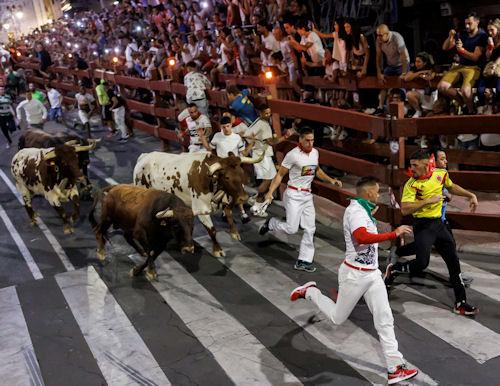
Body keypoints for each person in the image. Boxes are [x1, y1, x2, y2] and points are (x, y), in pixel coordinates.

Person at [289, 176, 418, 385]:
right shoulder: (355, 211)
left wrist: (372, 215)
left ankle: (394, 367)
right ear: (368, 193)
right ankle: (310, 291)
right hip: (354, 275)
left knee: (384, 318)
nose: (378, 195)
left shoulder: (363, 208)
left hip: (372, 274)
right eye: (377, 192)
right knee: (337, 318)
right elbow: (361, 237)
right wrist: (393, 233)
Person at [384, 150, 479, 316]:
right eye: (411, 165)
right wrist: (427, 201)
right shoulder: (411, 184)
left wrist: (470, 195)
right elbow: (405, 210)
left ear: (426, 163)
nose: (411, 168)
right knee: (422, 263)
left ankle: (460, 303)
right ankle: (395, 269)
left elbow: (451, 186)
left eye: (415, 165)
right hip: (423, 225)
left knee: (453, 263)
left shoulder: (441, 174)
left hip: (439, 225)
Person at [259, 127, 342, 272]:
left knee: (310, 229)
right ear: (300, 140)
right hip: (293, 195)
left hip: (307, 196)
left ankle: (304, 261)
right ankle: (272, 223)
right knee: (291, 229)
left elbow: (317, 171)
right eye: (307, 140)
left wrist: (331, 180)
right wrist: (270, 192)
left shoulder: (315, 153)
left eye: (312, 140)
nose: (310, 143)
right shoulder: (292, 155)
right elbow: (280, 175)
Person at [199, 115, 255, 223]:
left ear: (231, 125)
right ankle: (225, 212)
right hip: (222, 168)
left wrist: (251, 144)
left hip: (234, 169)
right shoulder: (217, 136)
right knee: (223, 190)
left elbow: (243, 153)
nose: (226, 129)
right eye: (223, 127)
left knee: (239, 189)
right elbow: (210, 149)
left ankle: (243, 213)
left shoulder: (237, 138)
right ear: (221, 127)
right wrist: (202, 138)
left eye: (228, 126)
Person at [242, 102, 290, 214]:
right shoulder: (263, 125)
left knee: (271, 178)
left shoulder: (258, 121)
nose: (268, 115)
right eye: (266, 113)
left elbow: (247, 135)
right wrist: (286, 137)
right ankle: (257, 206)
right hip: (261, 156)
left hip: (261, 154)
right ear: (260, 113)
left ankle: (256, 198)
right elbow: (272, 142)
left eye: (269, 113)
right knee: (268, 180)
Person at [438, 12, 487, 114]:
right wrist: (450, 36)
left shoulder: (482, 35)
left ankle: (471, 111)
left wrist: (461, 50)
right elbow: (445, 47)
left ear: (477, 22)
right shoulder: (463, 34)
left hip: (474, 67)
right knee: (442, 87)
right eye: (466, 23)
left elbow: (475, 58)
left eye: (470, 23)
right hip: (460, 66)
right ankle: (462, 103)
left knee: (465, 90)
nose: (467, 26)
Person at [374, 24, 410, 115]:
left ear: (386, 34)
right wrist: (379, 73)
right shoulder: (378, 40)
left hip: (402, 63)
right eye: (377, 35)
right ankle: (380, 106)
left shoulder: (397, 38)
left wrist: (404, 72)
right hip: (391, 65)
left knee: (403, 83)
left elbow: (403, 56)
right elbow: (378, 57)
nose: (378, 37)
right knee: (383, 82)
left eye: (380, 35)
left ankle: (406, 108)